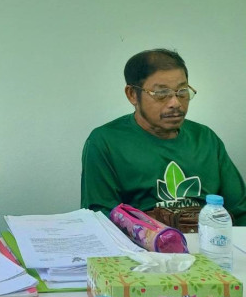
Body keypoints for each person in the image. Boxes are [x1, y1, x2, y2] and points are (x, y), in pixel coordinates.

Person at [81, 48, 246, 224]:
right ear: (132, 95)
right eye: (161, 94)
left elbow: (240, 211)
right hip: (143, 239)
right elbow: (100, 218)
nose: (175, 103)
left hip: (209, 236)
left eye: (182, 91)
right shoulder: (106, 142)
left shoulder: (205, 138)